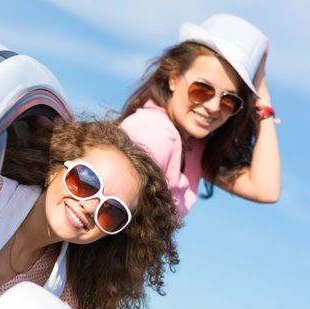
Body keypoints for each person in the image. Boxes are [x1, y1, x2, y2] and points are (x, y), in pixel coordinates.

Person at [0, 118, 180, 309]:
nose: (90, 206)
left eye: (112, 211)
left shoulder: (64, 299)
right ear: (55, 170)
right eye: (85, 181)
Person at [117, 14, 281, 220]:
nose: (213, 107)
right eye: (202, 90)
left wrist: (263, 97)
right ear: (174, 79)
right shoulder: (154, 133)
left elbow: (265, 189)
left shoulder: (194, 148)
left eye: (228, 101)